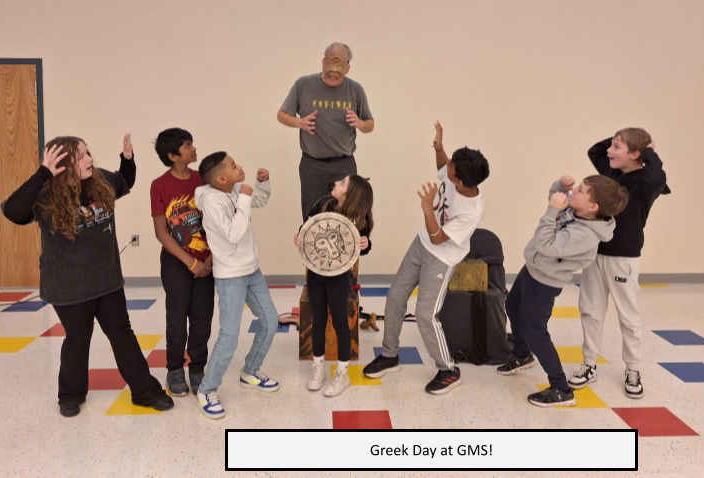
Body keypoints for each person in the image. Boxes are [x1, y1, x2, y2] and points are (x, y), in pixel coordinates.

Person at [1, 135, 174, 418]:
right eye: (80, 156)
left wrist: (127, 158)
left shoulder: (99, 181)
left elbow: (125, 181)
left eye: (88, 153)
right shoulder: (44, 194)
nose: (89, 159)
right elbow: (12, 210)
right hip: (67, 286)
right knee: (78, 338)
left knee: (121, 333)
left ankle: (146, 391)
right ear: (62, 164)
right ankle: (70, 394)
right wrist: (42, 173)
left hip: (106, 280)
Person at [362, 122, 489, 396]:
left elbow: (438, 238)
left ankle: (448, 369)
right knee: (395, 296)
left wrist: (427, 208)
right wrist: (440, 147)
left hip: (441, 258)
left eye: (452, 166)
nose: (448, 166)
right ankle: (389, 355)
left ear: (460, 181)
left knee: (425, 315)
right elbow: (443, 166)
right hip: (420, 245)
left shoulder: (472, 211)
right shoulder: (458, 175)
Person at [497, 176, 627, 407]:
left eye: (580, 190)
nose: (573, 192)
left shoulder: (585, 235)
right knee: (512, 308)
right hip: (532, 269)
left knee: (534, 331)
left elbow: (545, 244)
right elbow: (555, 199)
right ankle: (521, 354)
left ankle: (560, 388)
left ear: (593, 207)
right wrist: (559, 187)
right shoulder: (577, 211)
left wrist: (550, 211)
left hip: (546, 282)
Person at [572, 128, 669, 398]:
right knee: (590, 310)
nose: (609, 152)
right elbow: (595, 150)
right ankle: (589, 364)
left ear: (636, 155)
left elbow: (657, 175)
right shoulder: (612, 173)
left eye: (616, 148)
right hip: (595, 254)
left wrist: (648, 149)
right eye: (612, 146)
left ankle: (633, 369)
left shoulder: (646, 183)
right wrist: (623, 136)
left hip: (624, 259)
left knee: (628, 316)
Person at [192, 152, 281, 420]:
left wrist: (261, 183)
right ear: (221, 178)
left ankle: (250, 372)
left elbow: (259, 200)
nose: (239, 166)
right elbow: (233, 233)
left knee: (270, 320)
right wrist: (243, 197)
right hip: (230, 276)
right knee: (229, 336)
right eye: (233, 166)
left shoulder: (232, 192)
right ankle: (207, 390)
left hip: (251, 269)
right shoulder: (212, 203)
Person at [147, 128, 214, 396]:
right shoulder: (159, 185)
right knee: (176, 319)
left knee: (202, 319)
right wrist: (190, 262)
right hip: (177, 262)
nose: (194, 148)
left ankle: (198, 369)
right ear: (173, 155)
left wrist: (208, 257)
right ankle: (174, 369)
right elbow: (161, 232)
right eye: (188, 146)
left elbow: (216, 220)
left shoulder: (204, 180)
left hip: (207, 261)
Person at [296, 174, 374, 397]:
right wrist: (299, 236)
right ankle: (318, 367)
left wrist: (365, 243)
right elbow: (306, 228)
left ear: (349, 195)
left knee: (341, 323)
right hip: (315, 273)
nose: (335, 183)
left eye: (341, 183)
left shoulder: (360, 220)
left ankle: (342, 373)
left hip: (340, 278)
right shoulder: (323, 205)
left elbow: (364, 247)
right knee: (317, 320)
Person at [278, 42, 375, 219]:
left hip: (344, 164)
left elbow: (370, 124)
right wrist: (300, 123)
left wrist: (360, 123)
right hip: (312, 165)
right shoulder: (303, 85)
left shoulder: (355, 90)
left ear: (347, 69)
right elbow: (282, 115)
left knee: (346, 216)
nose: (333, 75)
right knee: (312, 217)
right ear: (323, 63)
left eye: (339, 72)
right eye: (330, 69)